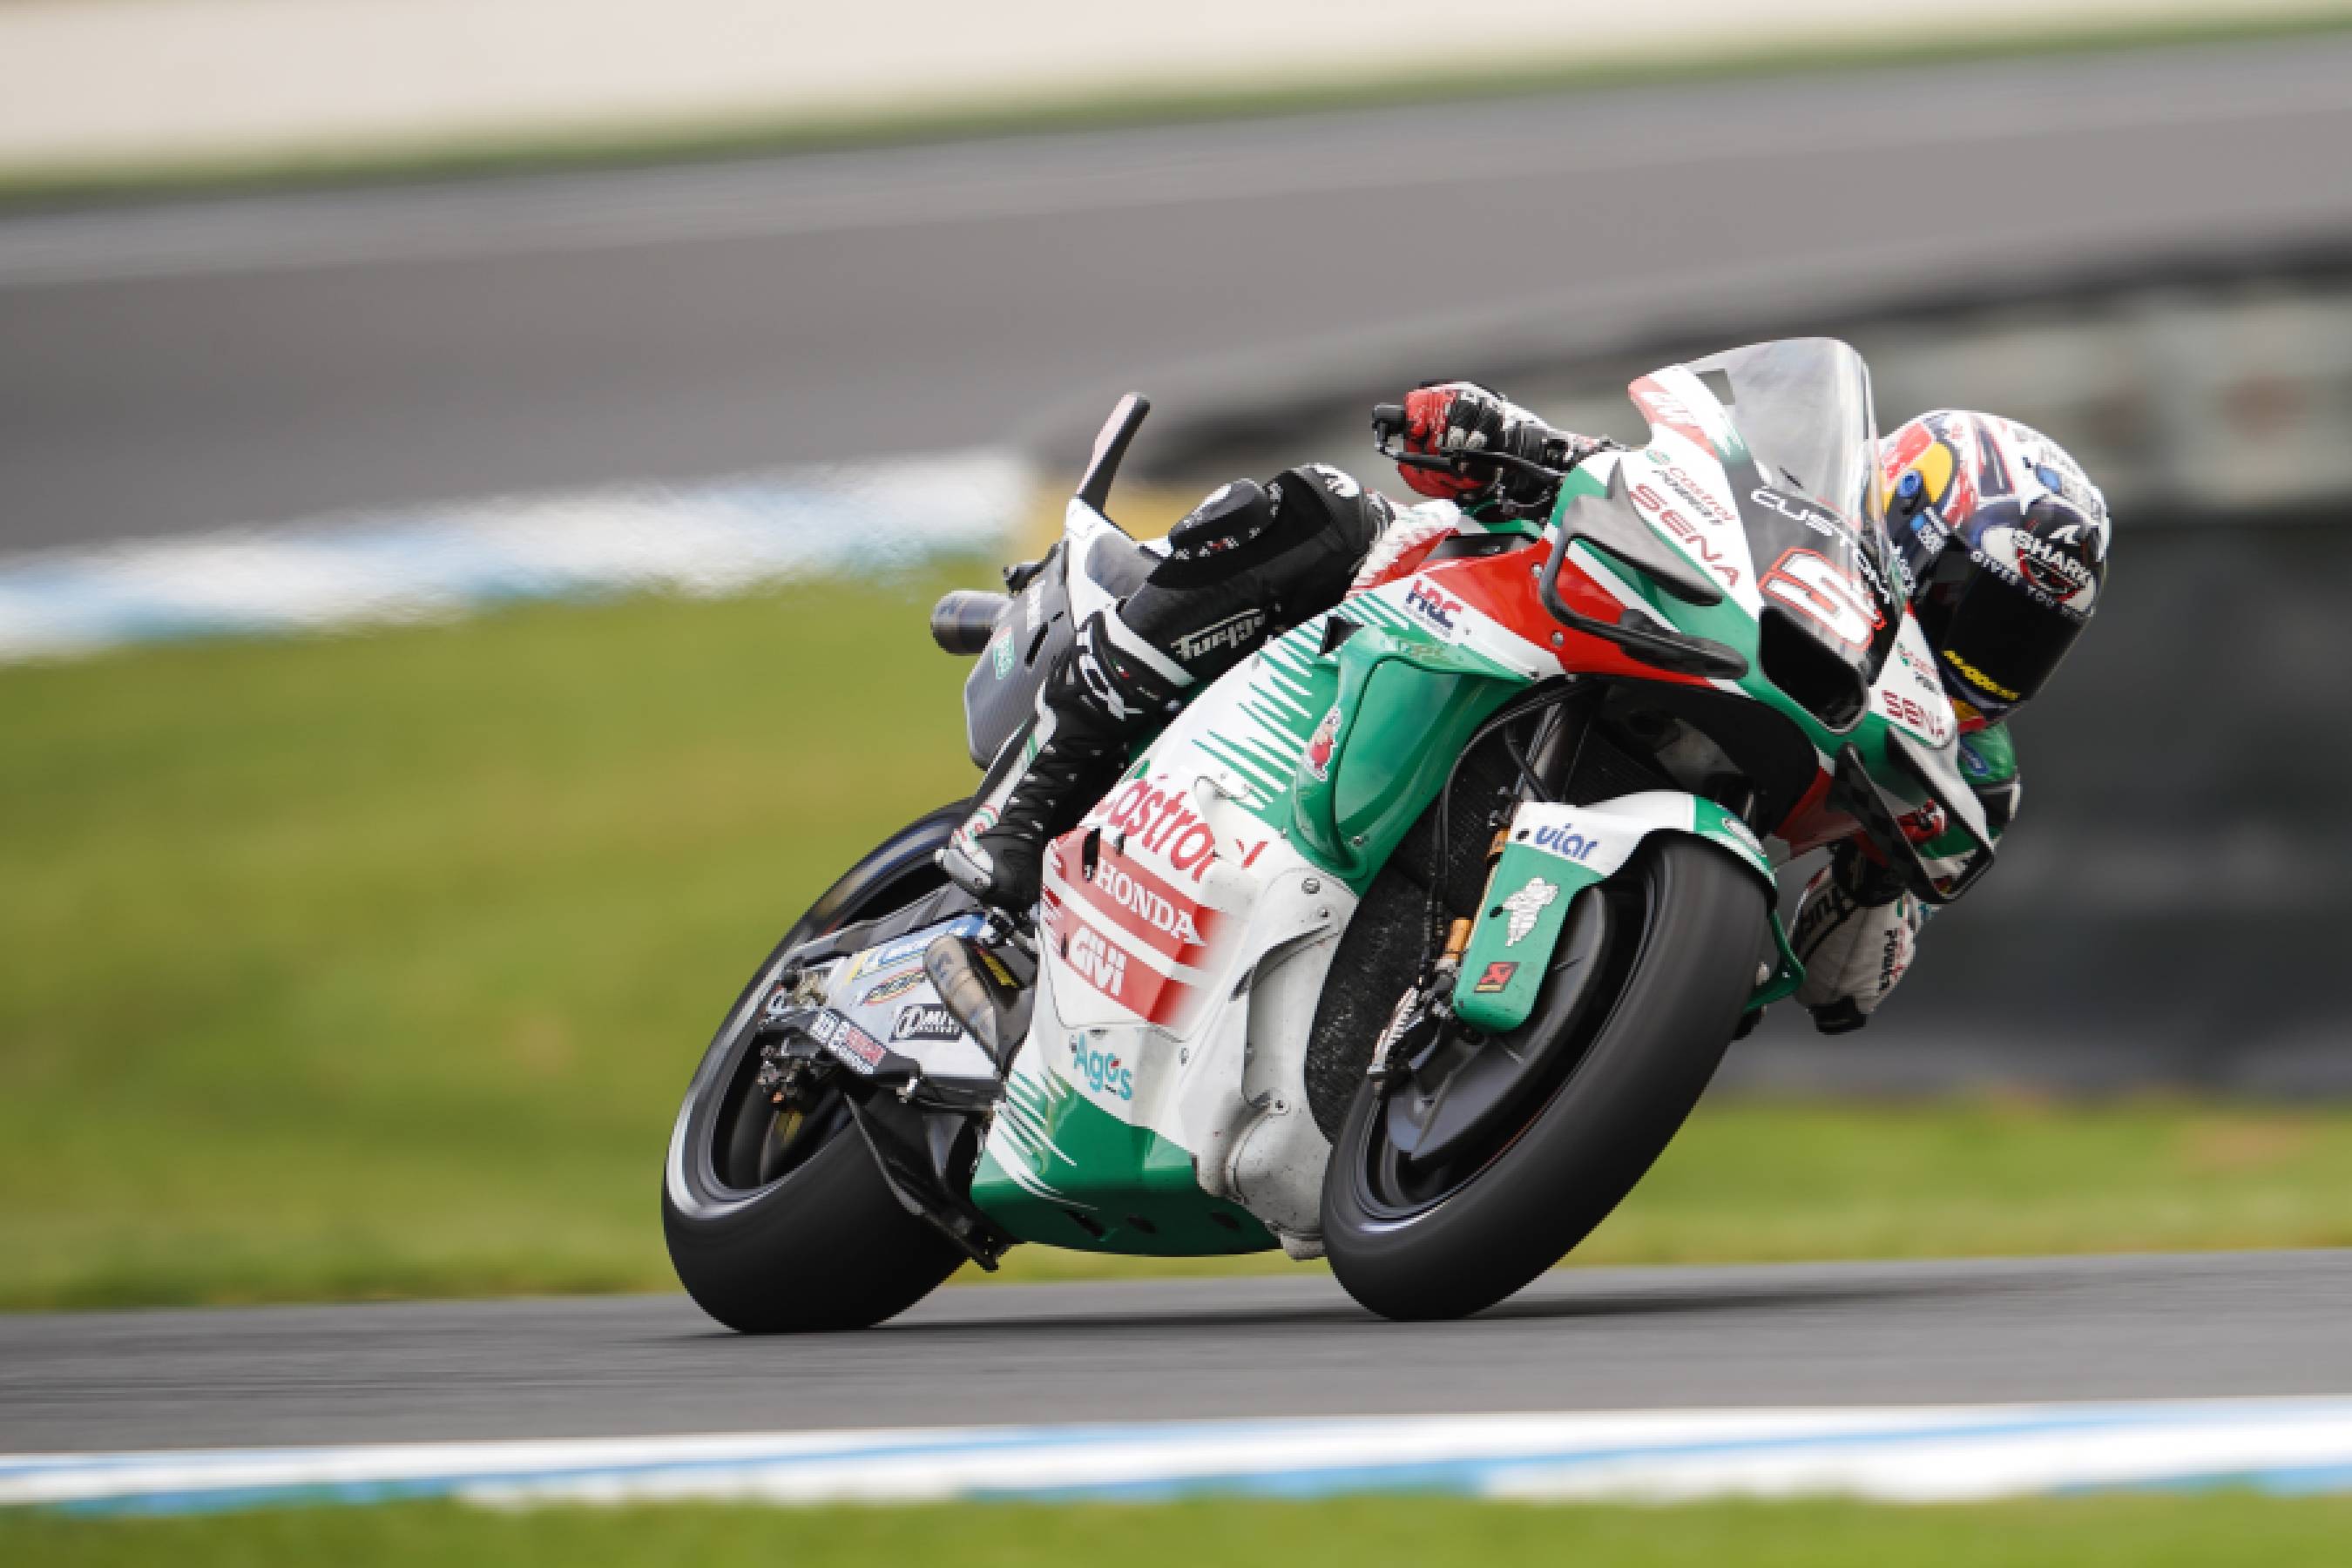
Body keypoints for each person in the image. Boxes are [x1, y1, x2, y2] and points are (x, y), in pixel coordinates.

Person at [938, 386, 2110, 1036]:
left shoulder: (1964, 767)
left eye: (2024, 639)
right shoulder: (1784, 520)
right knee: (1318, 511)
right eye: (1972, 605)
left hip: (1654, 826)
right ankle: (1019, 824)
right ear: (1902, 527)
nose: (1983, 653)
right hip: (1441, 612)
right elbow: (1648, 481)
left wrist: (1874, 888)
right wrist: (1506, 438)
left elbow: (1844, 987)